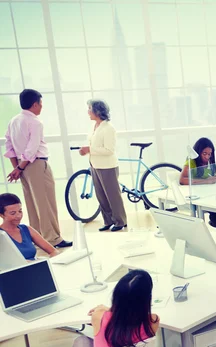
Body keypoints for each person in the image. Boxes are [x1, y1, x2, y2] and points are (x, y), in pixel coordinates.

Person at [4, 89, 71, 248]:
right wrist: (20, 168)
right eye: (41, 104)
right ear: (35, 104)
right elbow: (32, 149)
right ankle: (53, 239)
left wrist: (17, 168)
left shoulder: (13, 121)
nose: (41, 107)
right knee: (45, 203)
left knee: (32, 204)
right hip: (35, 164)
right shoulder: (35, 122)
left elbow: (9, 146)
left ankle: (38, 238)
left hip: (23, 166)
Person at [78, 100, 127, 232]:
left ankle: (120, 221)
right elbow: (94, 146)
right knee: (101, 196)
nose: (88, 112)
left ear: (97, 111)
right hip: (95, 165)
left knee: (112, 196)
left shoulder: (108, 128)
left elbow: (109, 150)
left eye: (89, 109)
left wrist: (89, 149)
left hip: (108, 167)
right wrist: (87, 151)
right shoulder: (95, 127)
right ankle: (108, 221)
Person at [180, 137, 216, 231]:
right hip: (199, 196)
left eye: (209, 154)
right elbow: (182, 180)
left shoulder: (212, 160)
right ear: (198, 152)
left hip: (212, 194)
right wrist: (206, 181)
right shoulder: (192, 161)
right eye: (204, 153)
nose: (207, 157)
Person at [0, 193, 58, 260]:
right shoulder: (1, 234)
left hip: (36, 267)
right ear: (1, 215)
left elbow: (54, 251)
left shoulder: (26, 229)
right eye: (13, 213)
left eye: (20, 211)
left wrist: (49, 262)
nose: (18, 216)